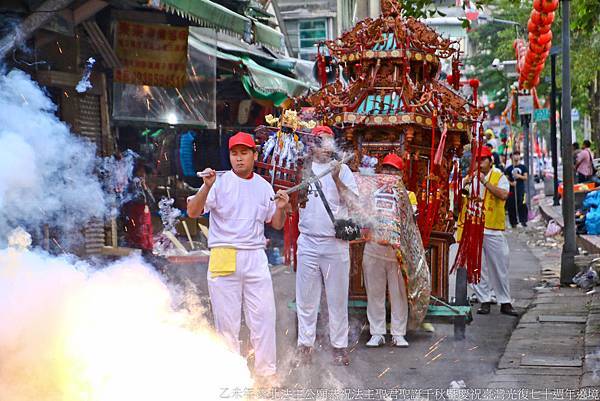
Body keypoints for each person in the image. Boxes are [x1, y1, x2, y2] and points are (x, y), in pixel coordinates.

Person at [187, 132, 290, 384]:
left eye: (244, 153)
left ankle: (267, 374)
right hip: (224, 254)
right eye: (234, 153)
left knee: (264, 317)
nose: (239, 158)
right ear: (230, 156)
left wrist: (283, 207)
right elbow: (192, 211)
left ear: (254, 155)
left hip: (255, 256)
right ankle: (230, 376)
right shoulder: (218, 182)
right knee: (227, 322)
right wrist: (206, 186)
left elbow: (275, 223)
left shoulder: (264, 186)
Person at [295, 125, 359, 366]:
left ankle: (339, 346)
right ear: (311, 144)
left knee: (337, 298)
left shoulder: (342, 170)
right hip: (308, 241)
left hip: (335, 243)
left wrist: (336, 178)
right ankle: (305, 345)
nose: (323, 147)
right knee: (306, 298)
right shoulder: (302, 169)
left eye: (327, 142)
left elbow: (354, 204)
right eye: (319, 142)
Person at [463, 146, 518, 316]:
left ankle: (504, 301)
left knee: (500, 265)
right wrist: (464, 183)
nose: (480, 163)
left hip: (493, 228)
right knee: (477, 267)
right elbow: (461, 195)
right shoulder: (471, 177)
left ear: (490, 161)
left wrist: (484, 182)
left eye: (483, 159)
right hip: (475, 226)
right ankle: (484, 300)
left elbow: (503, 194)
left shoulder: (498, 176)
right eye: (477, 160)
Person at [363, 153, 409, 348]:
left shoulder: (406, 195)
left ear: (400, 174)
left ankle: (398, 333)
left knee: (398, 294)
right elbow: (362, 214)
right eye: (386, 169)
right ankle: (377, 332)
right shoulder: (369, 192)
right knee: (374, 292)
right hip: (373, 248)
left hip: (395, 253)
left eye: (394, 170)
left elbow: (408, 224)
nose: (389, 173)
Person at [123, 160, 155, 254]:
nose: (142, 174)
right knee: (137, 238)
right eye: (140, 172)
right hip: (136, 218)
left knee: (147, 237)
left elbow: (151, 202)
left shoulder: (144, 186)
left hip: (145, 219)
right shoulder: (131, 186)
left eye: (143, 172)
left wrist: (144, 187)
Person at [504, 151, 529, 228]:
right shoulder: (508, 169)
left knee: (522, 204)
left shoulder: (523, 167)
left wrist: (519, 176)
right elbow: (505, 179)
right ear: (511, 157)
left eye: (518, 155)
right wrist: (511, 183)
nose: (517, 157)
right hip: (511, 191)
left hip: (521, 189)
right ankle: (513, 222)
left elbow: (525, 177)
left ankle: (523, 220)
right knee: (511, 206)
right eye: (515, 155)